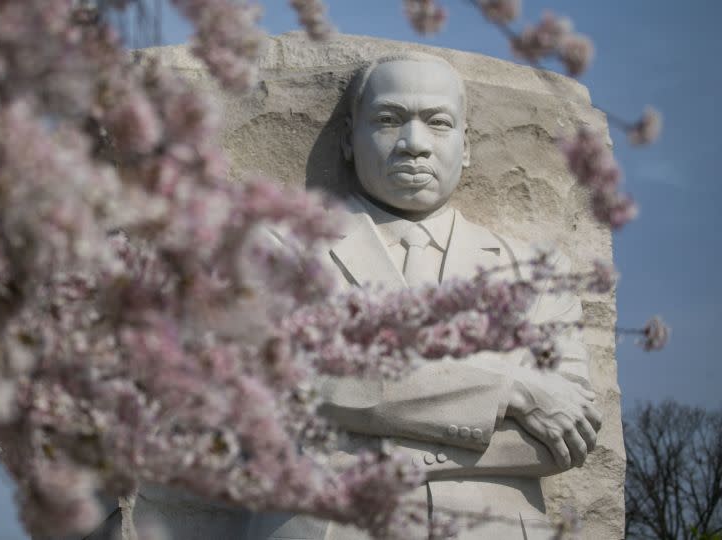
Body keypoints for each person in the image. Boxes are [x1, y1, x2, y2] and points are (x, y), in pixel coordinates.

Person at [246, 52, 602, 540]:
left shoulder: (536, 275)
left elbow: (561, 441)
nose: (414, 145)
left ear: (466, 144)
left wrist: (359, 432)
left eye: (438, 123)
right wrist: (509, 391)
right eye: (389, 120)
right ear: (349, 138)